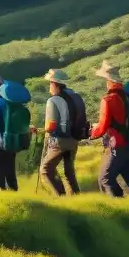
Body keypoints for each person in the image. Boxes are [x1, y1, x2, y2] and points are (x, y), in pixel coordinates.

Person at [89, 61, 129, 198]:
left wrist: (91, 133)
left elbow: (102, 126)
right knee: (128, 175)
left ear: (108, 81)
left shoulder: (108, 99)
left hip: (116, 145)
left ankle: (117, 206)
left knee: (105, 179)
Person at [39, 68, 87, 196]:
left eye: (50, 83)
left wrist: (40, 130)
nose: (49, 86)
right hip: (75, 138)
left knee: (46, 170)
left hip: (59, 141)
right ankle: (76, 198)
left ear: (54, 84)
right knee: (68, 172)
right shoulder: (75, 96)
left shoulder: (53, 100)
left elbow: (51, 126)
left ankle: (60, 197)